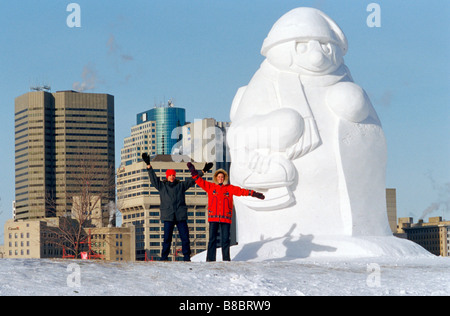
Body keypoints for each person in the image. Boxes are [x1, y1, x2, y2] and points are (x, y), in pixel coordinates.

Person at [187, 162, 265, 262]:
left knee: (225, 240)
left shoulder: (230, 188)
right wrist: (193, 171)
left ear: (224, 178)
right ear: (216, 178)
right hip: (213, 217)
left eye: (222, 177)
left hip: (226, 218)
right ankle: (210, 260)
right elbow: (199, 181)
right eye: (219, 177)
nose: (221, 178)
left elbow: (241, 191)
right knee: (212, 240)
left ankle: (226, 259)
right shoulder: (211, 187)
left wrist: (254, 194)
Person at [142, 153, 213, 261]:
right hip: (168, 216)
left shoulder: (181, 185)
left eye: (173, 175)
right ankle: (164, 258)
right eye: (170, 175)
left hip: (180, 216)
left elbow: (192, 180)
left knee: (185, 238)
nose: (172, 177)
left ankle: (186, 257)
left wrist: (203, 171)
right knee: (167, 239)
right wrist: (148, 165)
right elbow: (154, 179)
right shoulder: (162, 186)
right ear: (167, 176)